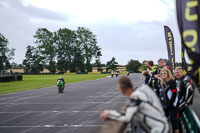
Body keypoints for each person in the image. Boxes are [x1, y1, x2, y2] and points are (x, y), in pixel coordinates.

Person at [100, 76, 169, 133]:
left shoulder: (135, 97)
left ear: (121, 88)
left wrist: (109, 113)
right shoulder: (142, 89)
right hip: (161, 124)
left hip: (158, 128)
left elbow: (126, 117)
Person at [159, 68, 179, 133]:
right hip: (165, 106)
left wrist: (170, 104)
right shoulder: (163, 83)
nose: (163, 74)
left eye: (165, 73)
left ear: (168, 74)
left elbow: (174, 94)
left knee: (174, 124)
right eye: (161, 73)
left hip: (172, 106)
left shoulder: (172, 82)